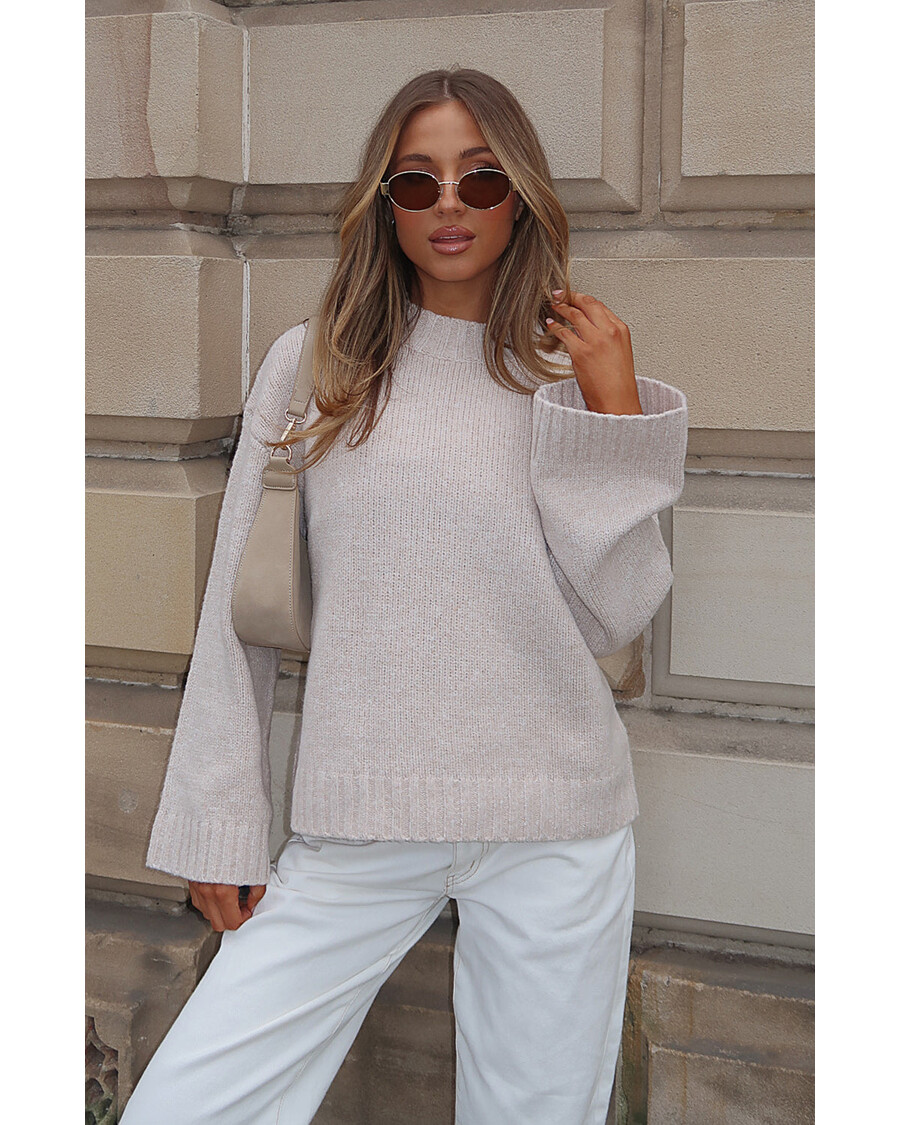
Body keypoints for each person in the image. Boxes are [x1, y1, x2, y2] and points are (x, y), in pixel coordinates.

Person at [120, 67, 688, 1125]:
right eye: (418, 183)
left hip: (554, 823)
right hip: (362, 817)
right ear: (384, 205)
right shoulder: (316, 366)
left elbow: (618, 612)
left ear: (520, 196)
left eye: (481, 179)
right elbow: (237, 612)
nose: (451, 206)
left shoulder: (563, 373)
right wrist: (217, 820)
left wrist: (614, 413)